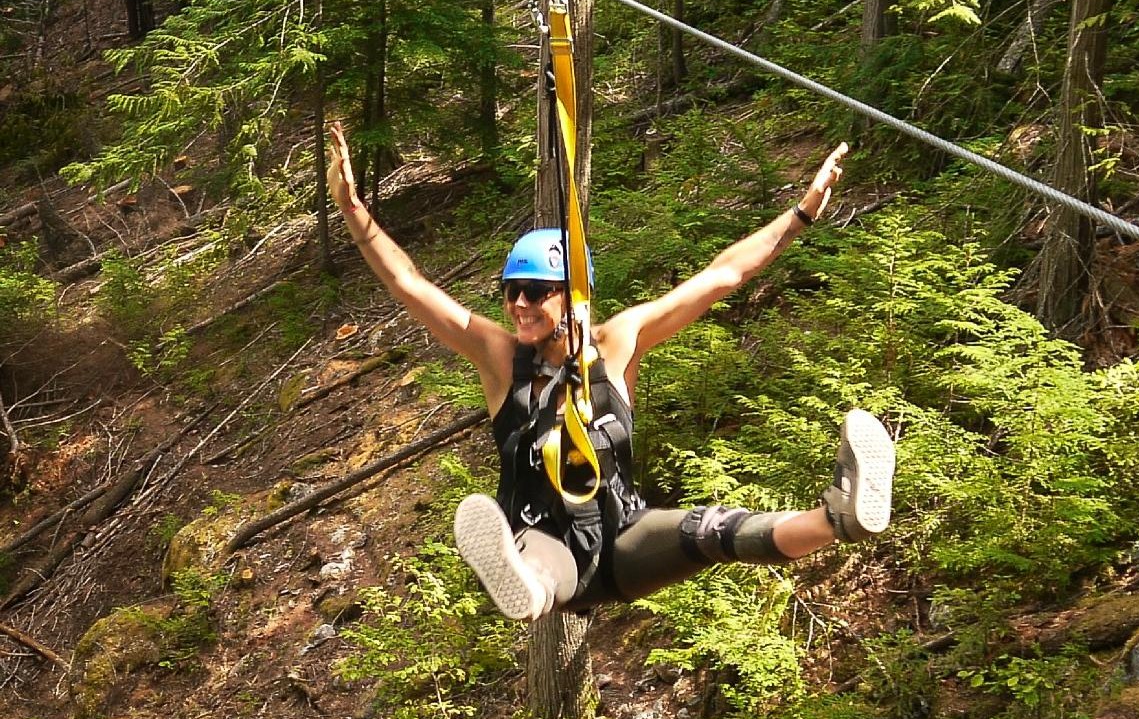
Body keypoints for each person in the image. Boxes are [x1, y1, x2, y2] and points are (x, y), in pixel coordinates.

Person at [325, 123, 895, 620]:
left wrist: (799, 216)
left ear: (572, 293)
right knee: (543, 568)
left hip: (623, 538)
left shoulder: (618, 343)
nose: (518, 305)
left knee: (716, 534)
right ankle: (523, 581)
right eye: (509, 292)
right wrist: (355, 214)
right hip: (544, 546)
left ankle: (839, 517)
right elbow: (410, 284)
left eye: (533, 292)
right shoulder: (501, 359)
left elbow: (723, 276)